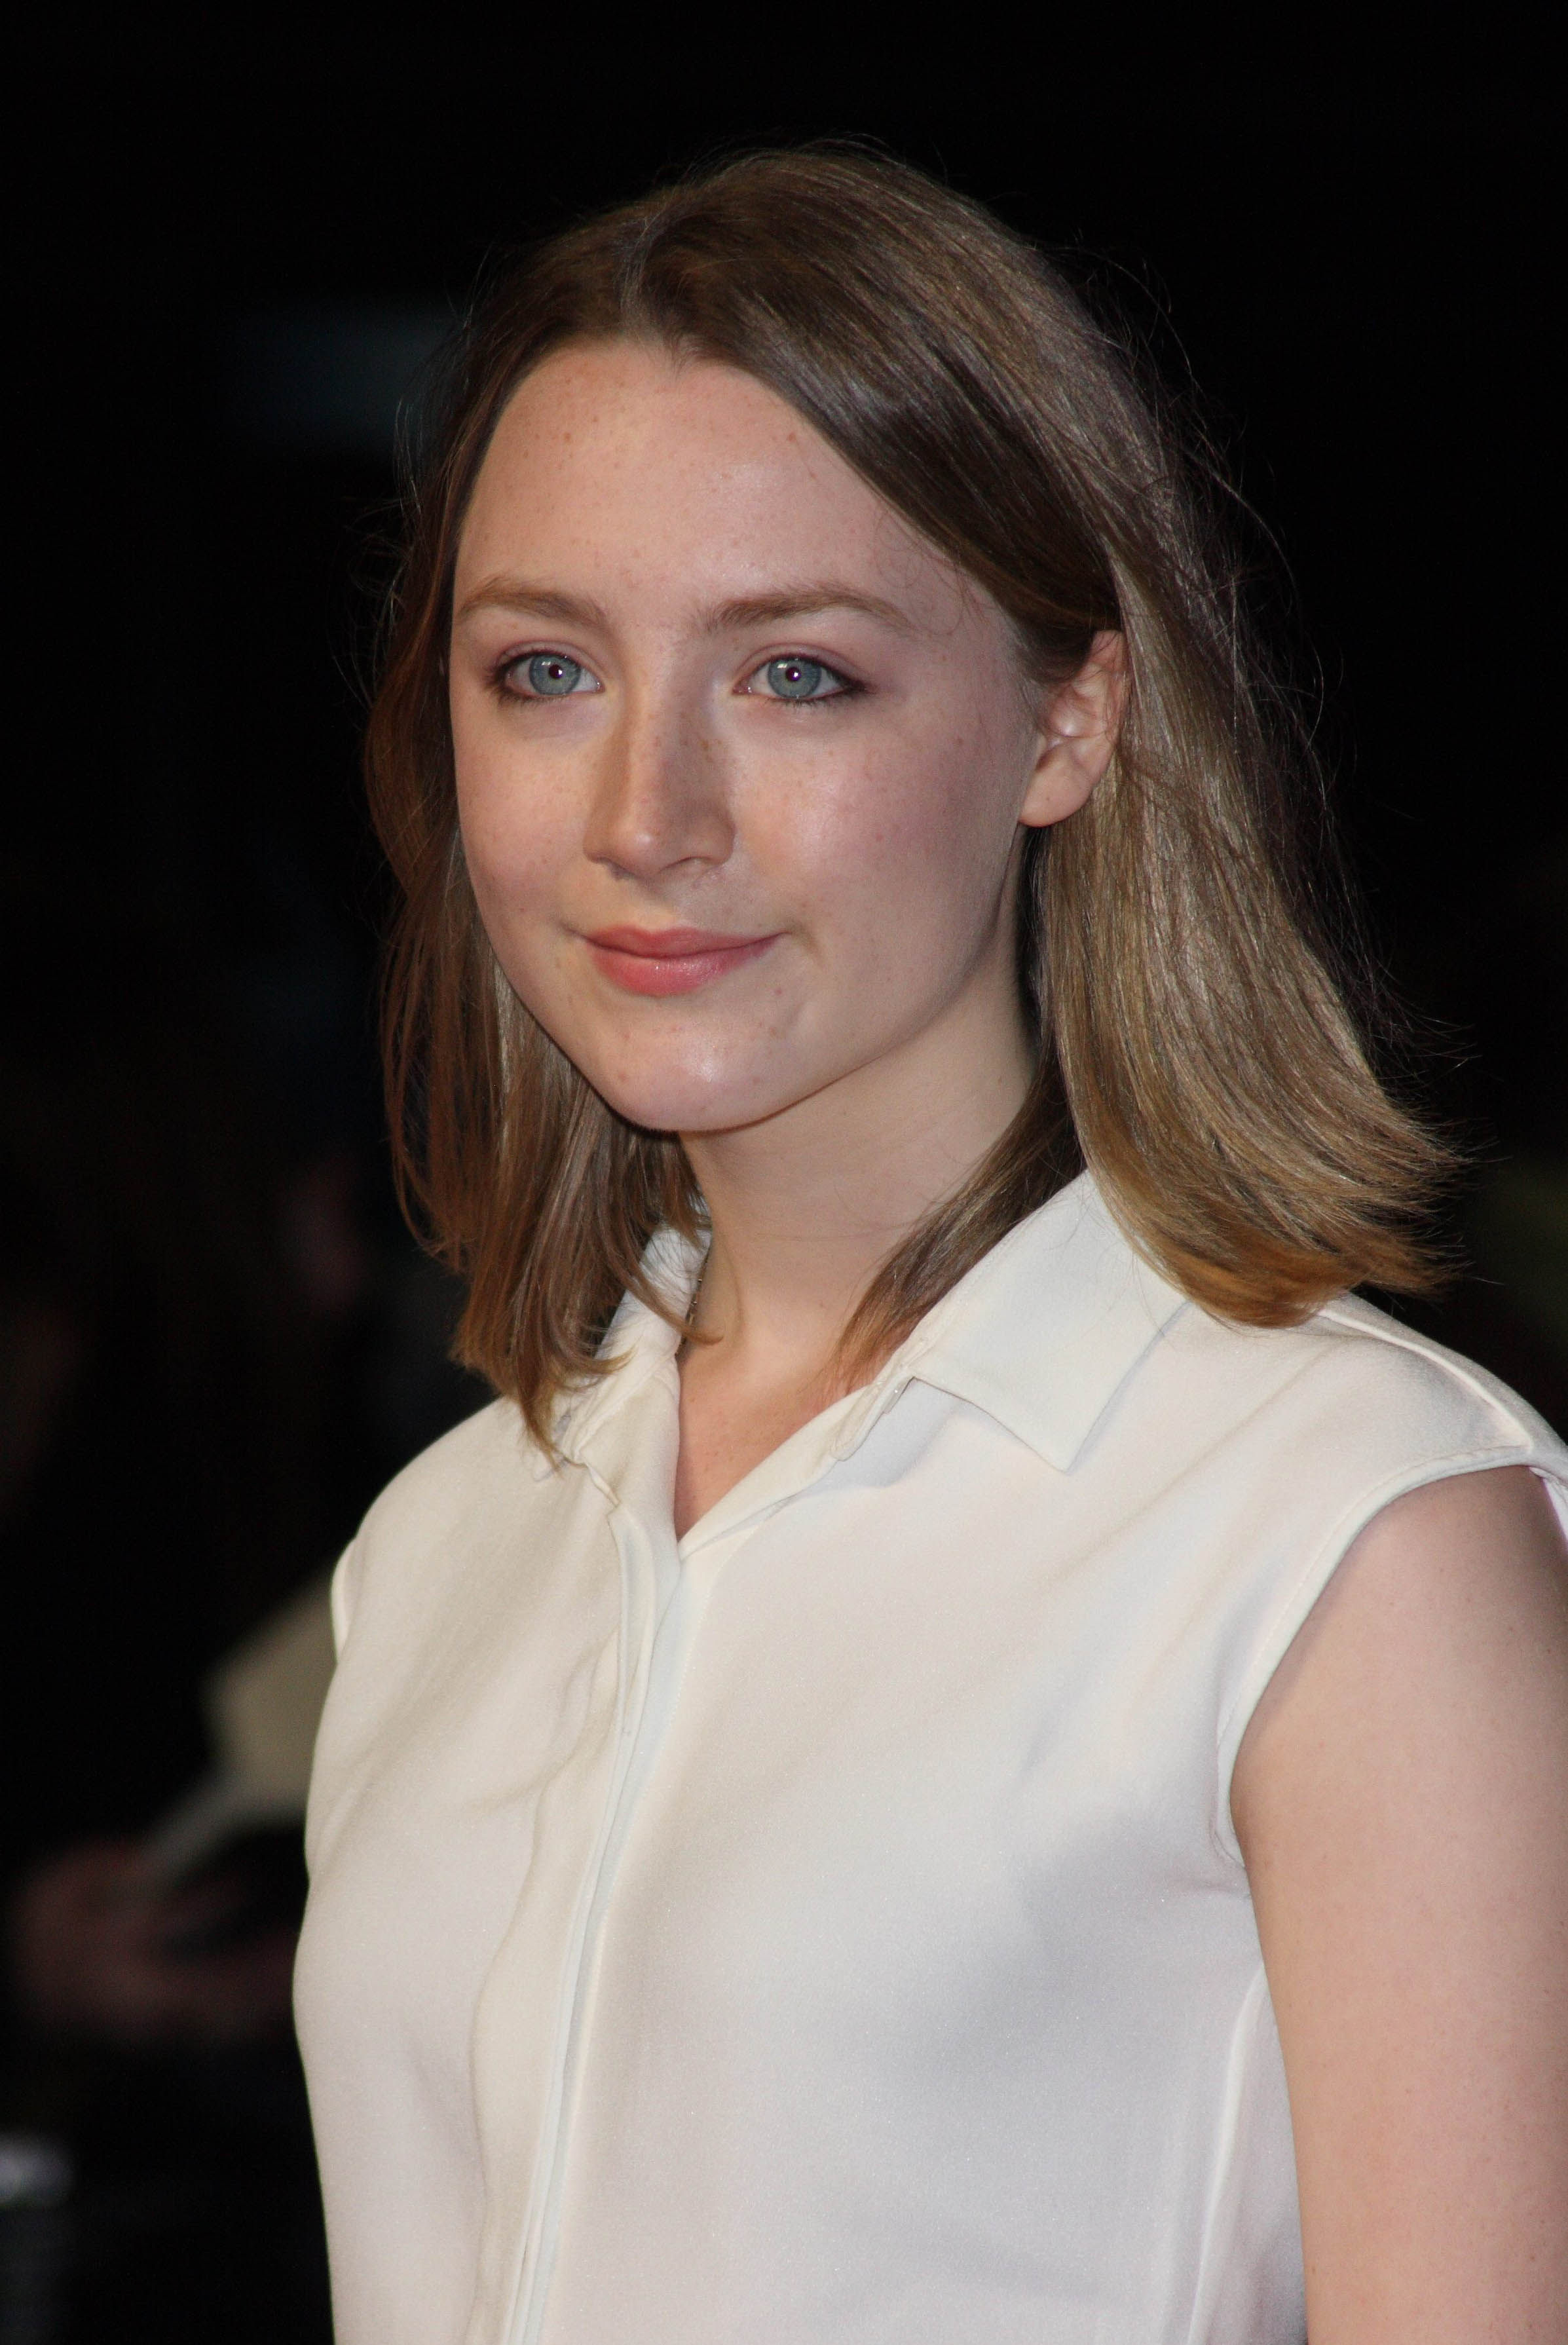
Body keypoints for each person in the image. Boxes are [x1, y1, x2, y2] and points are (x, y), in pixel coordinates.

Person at [293, 151, 1568, 2344]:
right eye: (544, 669)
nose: (645, 816)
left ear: (1068, 720)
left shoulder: (1347, 1527)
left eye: (795, 675)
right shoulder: (449, 1539)